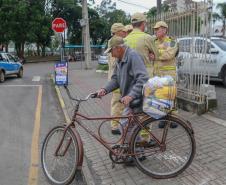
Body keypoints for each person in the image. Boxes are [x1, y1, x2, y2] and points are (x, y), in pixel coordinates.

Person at [97, 36, 149, 139]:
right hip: (130, 100)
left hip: (137, 98)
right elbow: (115, 78)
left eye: (111, 50)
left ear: (118, 48)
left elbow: (143, 78)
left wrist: (131, 96)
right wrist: (105, 89)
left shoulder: (133, 56)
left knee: (125, 125)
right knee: (129, 127)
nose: (111, 54)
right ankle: (136, 150)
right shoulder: (119, 59)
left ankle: (136, 152)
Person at [151, 21, 179, 128]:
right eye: (155, 29)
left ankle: (174, 118)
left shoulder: (172, 42)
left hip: (169, 75)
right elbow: (151, 54)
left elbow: (169, 54)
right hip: (157, 75)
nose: (156, 31)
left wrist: (156, 55)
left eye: (158, 29)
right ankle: (163, 118)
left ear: (165, 30)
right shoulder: (154, 42)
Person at [124, 12, 159, 77]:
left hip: (129, 76)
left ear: (132, 24)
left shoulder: (125, 40)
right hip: (144, 76)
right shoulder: (147, 38)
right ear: (143, 23)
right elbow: (157, 55)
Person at [107, 23, 127, 135]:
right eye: (122, 31)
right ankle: (114, 126)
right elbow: (115, 63)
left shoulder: (116, 42)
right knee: (117, 103)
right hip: (116, 80)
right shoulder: (114, 43)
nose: (125, 33)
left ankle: (117, 124)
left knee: (119, 103)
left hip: (117, 79)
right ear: (117, 32)